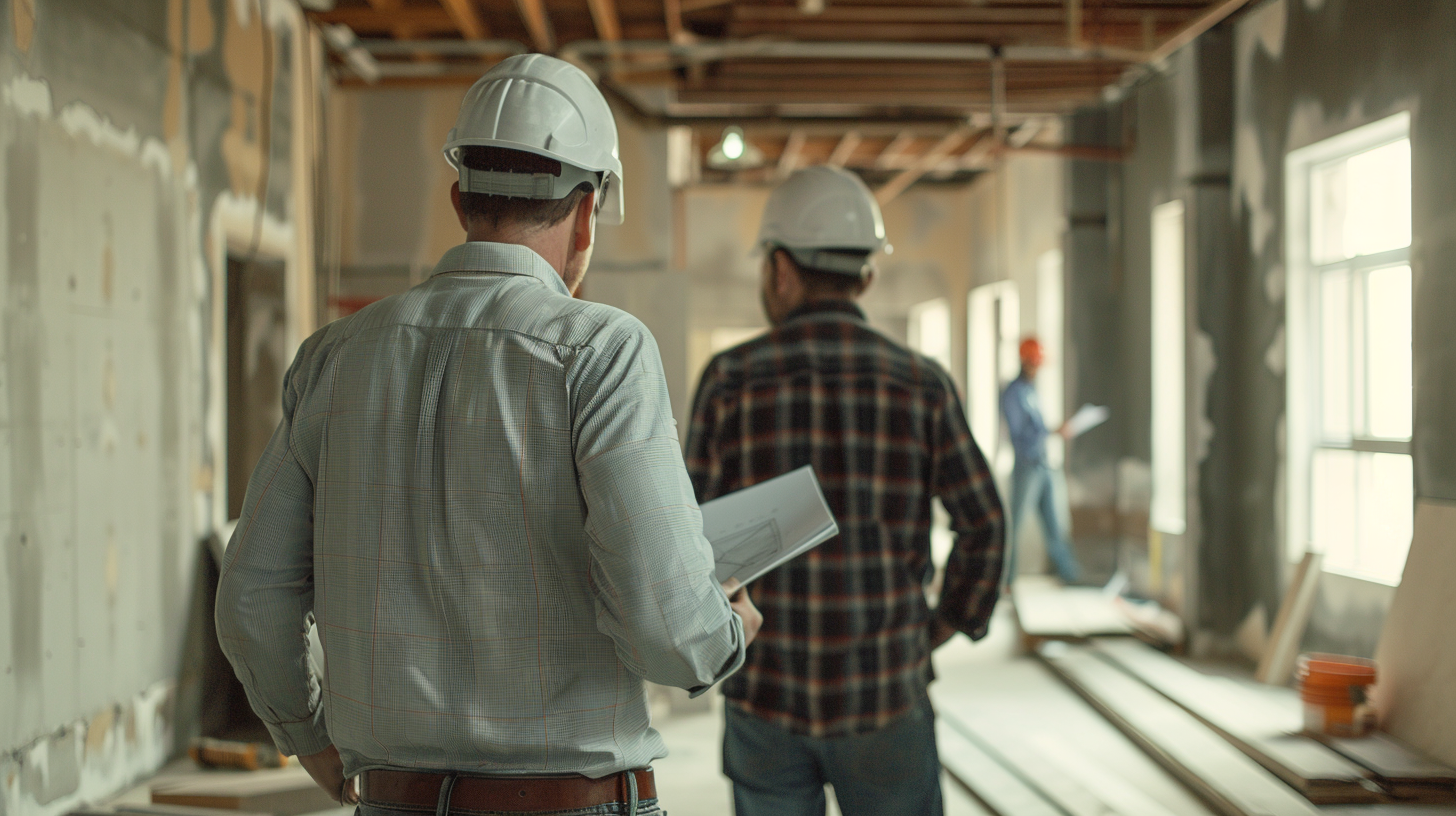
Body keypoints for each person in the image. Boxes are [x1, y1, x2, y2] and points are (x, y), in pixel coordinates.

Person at [214, 55, 761, 816]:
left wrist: (310, 741)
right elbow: (669, 629)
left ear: (459, 196)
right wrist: (724, 628)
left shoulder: (335, 357)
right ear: (588, 210)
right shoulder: (602, 351)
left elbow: (251, 597)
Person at [685, 166, 1005, 816]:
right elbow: (985, 526)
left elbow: (687, 541)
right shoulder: (922, 385)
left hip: (764, 695)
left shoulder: (730, 381)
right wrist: (938, 626)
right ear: (867, 273)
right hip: (885, 693)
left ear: (780, 268)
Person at [999, 336, 1081, 584]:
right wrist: (1052, 431)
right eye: (1033, 363)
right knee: (1014, 526)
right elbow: (1019, 432)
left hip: (1044, 464)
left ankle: (1071, 576)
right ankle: (1005, 581)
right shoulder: (1012, 393)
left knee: (1056, 525)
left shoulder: (1032, 390)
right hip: (1026, 466)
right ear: (1024, 361)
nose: (1036, 369)